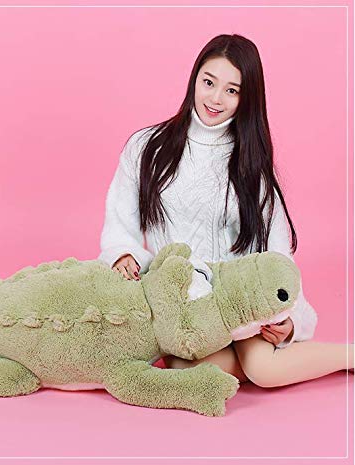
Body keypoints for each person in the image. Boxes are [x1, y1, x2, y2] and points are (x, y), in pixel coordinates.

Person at [97, 33, 354, 387]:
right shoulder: (147, 148)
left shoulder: (250, 163)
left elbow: (277, 251)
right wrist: (122, 253)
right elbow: (119, 221)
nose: (216, 98)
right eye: (209, 82)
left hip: (240, 297)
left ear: (246, 98)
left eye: (232, 90)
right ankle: (261, 362)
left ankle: (347, 355)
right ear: (194, 80)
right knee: (188, 366)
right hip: (184, 302)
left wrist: (290, 320)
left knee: (264, 370)